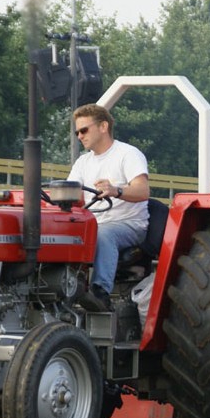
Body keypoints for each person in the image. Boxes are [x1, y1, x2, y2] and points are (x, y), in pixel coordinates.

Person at [68, 104, 150, 311]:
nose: (79, 136)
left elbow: (142, 191)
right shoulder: (82, 162)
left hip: (128, 224)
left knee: (103, 233)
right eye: (77, 132)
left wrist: (116, 190)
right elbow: (71, 195)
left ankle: (100, 293)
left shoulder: (128, 154)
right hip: (93, 223)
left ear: (103, 127)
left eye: (84, 130)